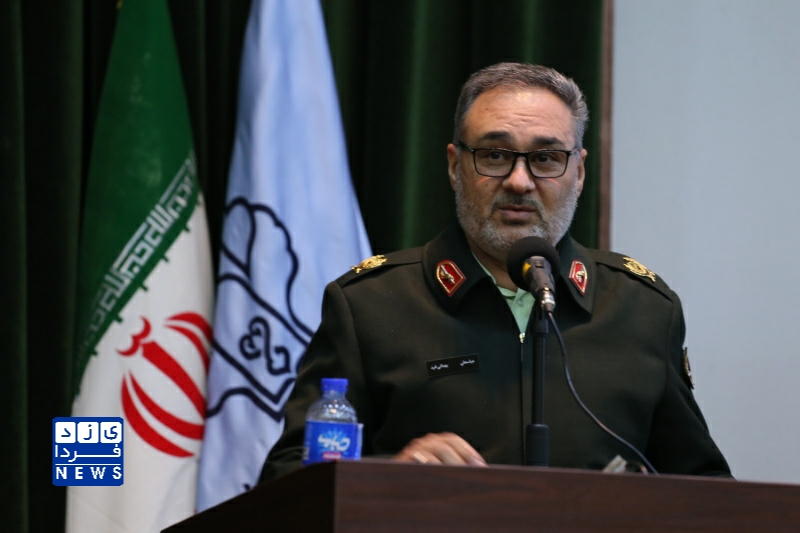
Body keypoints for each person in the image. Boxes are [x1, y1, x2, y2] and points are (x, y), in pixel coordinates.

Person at [259, 62, 731, 481]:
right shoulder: (369, 305)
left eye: (546, 158)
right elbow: (287, 480)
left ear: (580, 172)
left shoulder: (643, 310)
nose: (519, 181)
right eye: (495, 155)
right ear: (454, 166)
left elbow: (705, 489)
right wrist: (390, 476)